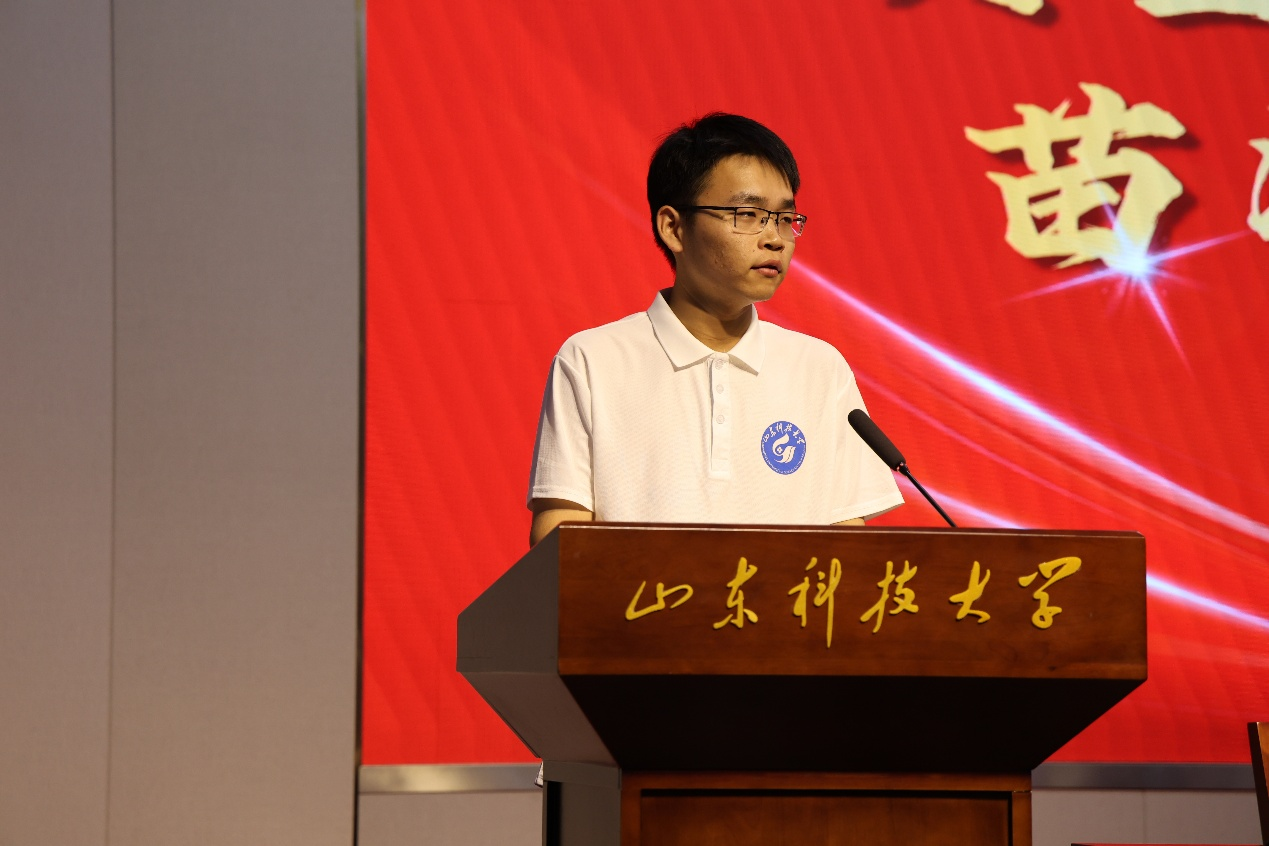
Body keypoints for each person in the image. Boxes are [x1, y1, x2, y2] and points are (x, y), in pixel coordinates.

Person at [527, 113, 903, 546]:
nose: (775, 238)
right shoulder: (593, 361)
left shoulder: (819, 368)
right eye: (748, 214)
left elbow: (848, 541)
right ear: (674, 228)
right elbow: (559, 533)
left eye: (784, 218)